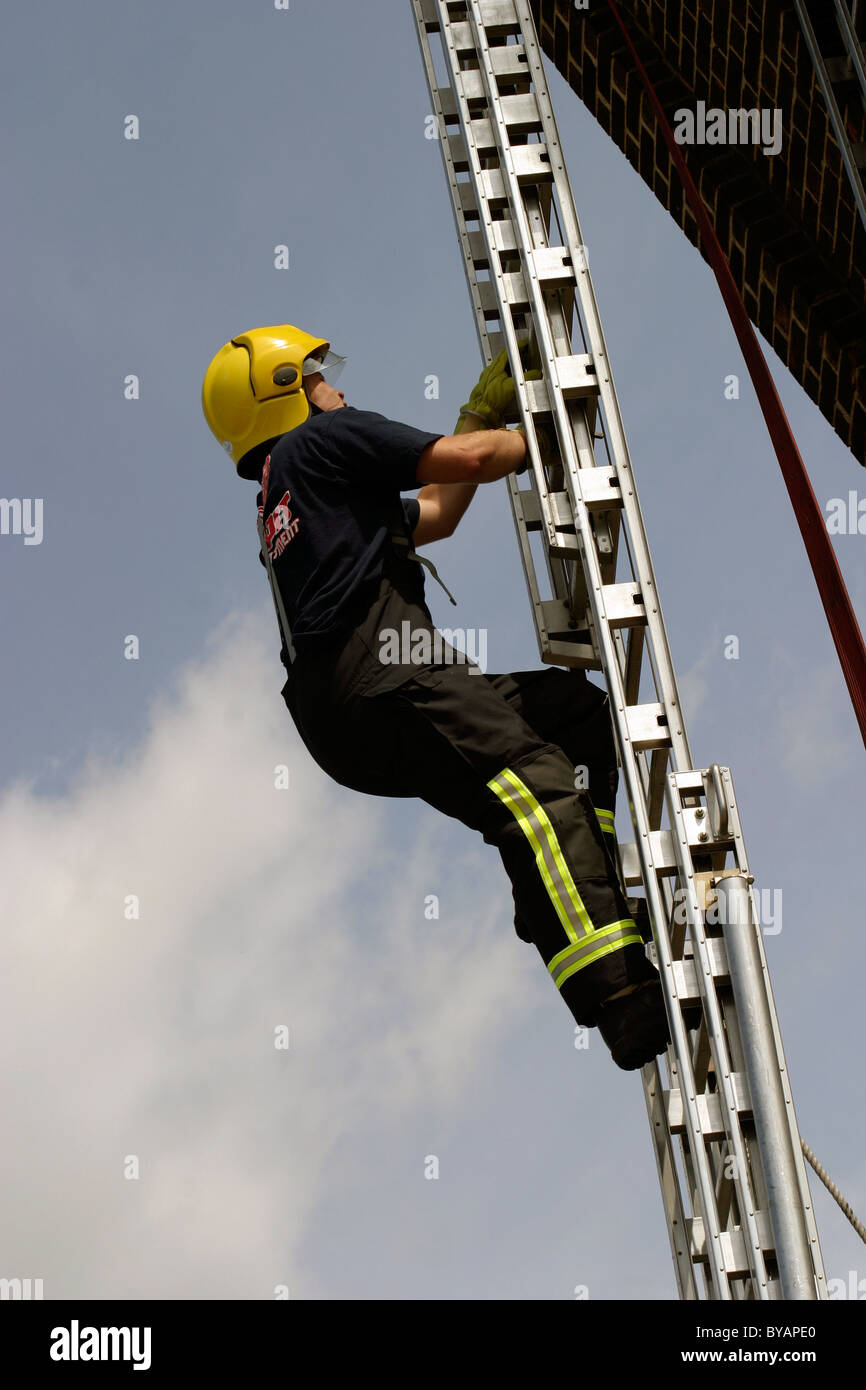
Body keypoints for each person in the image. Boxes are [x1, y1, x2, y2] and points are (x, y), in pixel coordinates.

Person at [202, 324, 670, 1069]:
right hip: (389, 672)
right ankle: (619, 995)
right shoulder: (324, 443)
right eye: (321, 376)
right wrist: (551, 428)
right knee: (539, 785)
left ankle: (567, 888)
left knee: (570, 720)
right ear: (284, 390)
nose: (339, 388)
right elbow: (475, 465)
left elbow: (441, 512)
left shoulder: (285, 497)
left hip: (346, 714)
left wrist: (482, 422)